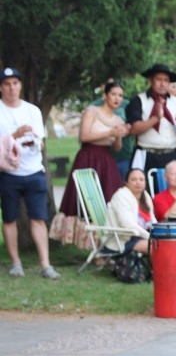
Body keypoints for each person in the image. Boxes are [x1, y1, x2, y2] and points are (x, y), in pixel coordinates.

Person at [52, 81, 130, 249]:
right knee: (86, 200)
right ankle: (86, 243)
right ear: (105, 95)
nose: (117, 98)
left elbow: (117, 147)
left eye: (120, 95)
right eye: (114, 94)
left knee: (109, 198)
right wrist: (110, 132)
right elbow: (84, 136)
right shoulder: (92, 111)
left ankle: (108, 244)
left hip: (107, 159)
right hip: (88, 157)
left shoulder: (118, 119)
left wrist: (118, 136)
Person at [0, 67, 60, 279]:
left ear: (20, 85)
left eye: (15, 83)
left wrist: (30, 139)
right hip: (8, 173)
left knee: (38, 218)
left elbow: (40, 140)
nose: (11, 88)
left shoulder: (32, 110)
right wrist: (14, 136)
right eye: (7, 84)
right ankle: (16, 263)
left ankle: (45, 264)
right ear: (1, 88)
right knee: (9, 218)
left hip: (34, 170)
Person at [127, 63, 176, 177]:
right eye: (158, 79)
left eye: (166, 80)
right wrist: (155, 119)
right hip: (146, 155)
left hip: (171, 154)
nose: (162, 84)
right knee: (145, 191)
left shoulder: (175, 102)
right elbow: (133, 129)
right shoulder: (139, 100)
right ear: (150, 80)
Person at [106, 168, 154, 255]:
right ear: (127, 183)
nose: (138, 182)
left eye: (141, 179)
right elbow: (127, 224)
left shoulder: (145, 195)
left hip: (141, 236)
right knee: (156, 247)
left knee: (166, 243)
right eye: (134, 179)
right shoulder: (121, 196)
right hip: (123, 239)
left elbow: (152, 219)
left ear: (145, 182)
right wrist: (150, 237)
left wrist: (160, 234)